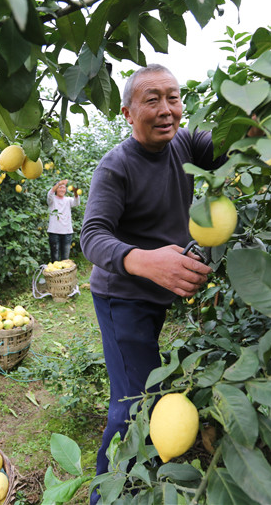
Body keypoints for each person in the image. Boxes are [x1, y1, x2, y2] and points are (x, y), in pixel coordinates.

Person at [80, 64, 226, 503]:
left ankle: (141, 480)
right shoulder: (116, 167)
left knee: (147, 390)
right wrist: (145, 260)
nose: (166, 109)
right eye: (152, 100)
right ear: (128, 113)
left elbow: (229, 145)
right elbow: (92, 236)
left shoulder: (185, 143)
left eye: (173, 98)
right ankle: (106, 496)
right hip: (122, 297)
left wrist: (256, 119)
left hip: (158, 292)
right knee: (134, 403)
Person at [46, 179, 80, 262]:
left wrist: (75, 192)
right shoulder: (52, 200)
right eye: (60, 187)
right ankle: (55, 271)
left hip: (67, 232)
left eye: (64, 188)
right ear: (56, 189)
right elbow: (50, 193)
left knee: (65, 258)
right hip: (54, 232)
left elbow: (76, 203)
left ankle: (65, 271)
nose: (62, 189)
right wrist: (59, 183)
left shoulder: (68, 200)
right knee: (55, 258)